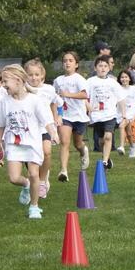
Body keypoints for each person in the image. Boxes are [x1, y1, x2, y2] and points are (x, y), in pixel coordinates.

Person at [0, 64, 60, 219]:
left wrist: (53, 133)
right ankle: (26, 185)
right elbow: (0, 124)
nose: (3, 85)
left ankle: (34, 207)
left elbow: (46, 120)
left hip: (32, 143)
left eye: (5, 81)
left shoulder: (34, 100)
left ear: (17, 80)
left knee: (34, 174)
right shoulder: (5, 102)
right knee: (13, 178)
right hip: (13, 144)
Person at [24, 58, 60, 197]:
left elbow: (56, 102)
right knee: (32, 159)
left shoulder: (49, 89)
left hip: (45, 127)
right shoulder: (23, 90)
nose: (34, 78)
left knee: (47, 152)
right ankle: (35, 180)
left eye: (36, 74)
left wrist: (57, 116)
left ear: (42, 75)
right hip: (29, 129)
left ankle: (43, 181)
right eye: (30, 75)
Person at [53, 51, 90, 181]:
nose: (67, 63)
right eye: (65, 61)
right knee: (64, 142)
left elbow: (85, 95)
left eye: (70, 60)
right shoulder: (58, 80)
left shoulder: (79, 79)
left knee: (77, 144)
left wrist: (68, 94)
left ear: (76, 64)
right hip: (65, 116)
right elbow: (54, 98)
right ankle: (64, 171)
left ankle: (83, 151)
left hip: (79, 116)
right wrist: (56, 115)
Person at [86, 54, 123, 171]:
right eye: (100, 66)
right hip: (96, 115)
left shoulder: (113, 82)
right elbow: (84, 96)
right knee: (101, 140)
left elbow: (121, 99)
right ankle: (106, 156)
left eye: (105, 66)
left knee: (108, 136)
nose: (103, 68)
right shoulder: (90, 81)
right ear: (95, 68)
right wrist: (87, 106)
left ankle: (105, 162)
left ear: (109, 68)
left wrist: (124, 115)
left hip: (110, 114)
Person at [116, 69, 135, 158]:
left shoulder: (134, 88)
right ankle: (133, 146)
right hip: (120, 112)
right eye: (122, 77)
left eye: (126, 77)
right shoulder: (117, 89)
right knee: (128, 132)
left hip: (131, 112)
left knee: (121, 126)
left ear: (129, 79)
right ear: (119, 79)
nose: (124, 79)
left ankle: (121, 146)